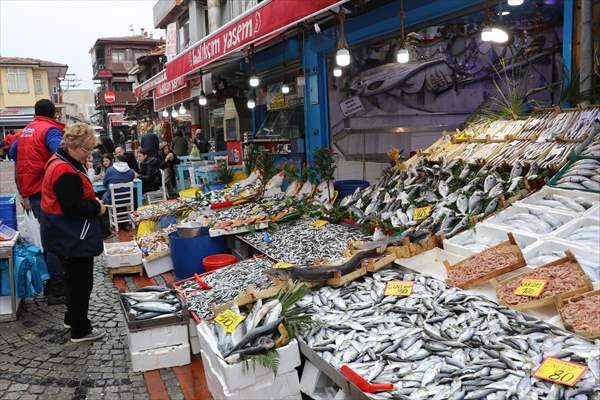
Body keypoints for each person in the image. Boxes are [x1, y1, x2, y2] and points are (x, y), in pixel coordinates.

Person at [40, 122, 106, 342]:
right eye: (85, 150)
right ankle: (81, 329)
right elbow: (73, 207)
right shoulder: (64, 170)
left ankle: (72, 317)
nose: (88, 155)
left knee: (73, 279)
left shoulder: (60, 160)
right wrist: (97, 207)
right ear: (73, 145)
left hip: (60, 233)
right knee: (81, 283)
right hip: (71, 235)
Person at [9, 99, 65, 304]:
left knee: (46, 236)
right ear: (54, 115)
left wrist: (23, 191)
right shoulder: (50, 130)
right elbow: (61, 153)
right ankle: (57, 286)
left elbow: (13, 153)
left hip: (31, 193)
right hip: (47, 191)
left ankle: (52, 280)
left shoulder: (26, 131)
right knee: (54, 238)